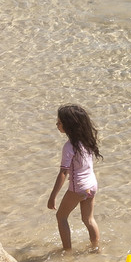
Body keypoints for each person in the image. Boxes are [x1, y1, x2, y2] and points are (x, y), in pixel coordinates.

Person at [47, 103, 103, 250]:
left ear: (69, 125)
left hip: (78, 187)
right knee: (88, 219)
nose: (57, 125)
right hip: (92, 185)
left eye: (59, 122)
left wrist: (53, 196)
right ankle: (96, 248)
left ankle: (68, 252)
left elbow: (63, 172)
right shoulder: (87, 140)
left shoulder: (69, 146)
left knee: (61, 217)